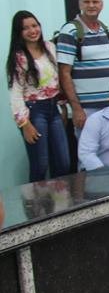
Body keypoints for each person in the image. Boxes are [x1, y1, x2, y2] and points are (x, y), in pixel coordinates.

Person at [6, 10, 70, 180]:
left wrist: (63, 106)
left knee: (63, 162)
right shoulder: (18, 57)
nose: (32, 30)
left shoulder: (50, 47)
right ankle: (35, 199)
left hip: (53, 108)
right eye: (26, 28)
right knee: (40, 164)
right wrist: (24, 124)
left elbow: (56, 81)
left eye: (34, 26)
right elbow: (15, 93)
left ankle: (59, 197)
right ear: (19, 32)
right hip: (34, 112)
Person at [57, 0, 109, 132]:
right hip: (86, 110)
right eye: (87, 2)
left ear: (102, 5)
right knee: (88, 146)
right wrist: (76, 108)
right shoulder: (70, 31)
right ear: (80, 4)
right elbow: (64, 73)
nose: (91, 5)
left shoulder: (105, 29)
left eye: (95, 2)